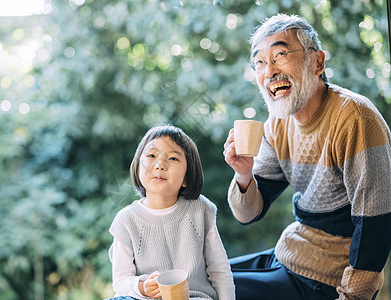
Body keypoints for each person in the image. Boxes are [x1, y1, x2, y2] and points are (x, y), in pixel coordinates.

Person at [223, 13, 391, 300]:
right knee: (198, 276)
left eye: (280, 55)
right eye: (260, 62)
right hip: (288, 255)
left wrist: (351, 296)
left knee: (207, 291)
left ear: (317, 63)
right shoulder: (279, 121)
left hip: (326, 279)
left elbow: (376, 225)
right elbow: (248, 214)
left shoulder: (355, 118)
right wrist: (243, 173)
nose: (269, 71)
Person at [107, 124, 235, 300]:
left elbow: (219, 271)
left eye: (173, 158)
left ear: (187, 178)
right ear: (137, 166)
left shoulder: (200, 209)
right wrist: (142, 287)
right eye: (151, 155)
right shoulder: (126, 219)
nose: (160, 165)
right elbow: (120, 281)